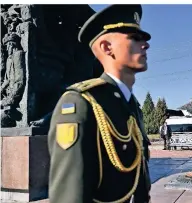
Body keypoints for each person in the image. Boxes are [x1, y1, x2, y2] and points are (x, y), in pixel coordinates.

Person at [47, 5, 152, 203]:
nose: (145, 44)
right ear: (106, 47)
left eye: (144, 39)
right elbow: (70, 196)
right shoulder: (81, 102)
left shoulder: (132, 105)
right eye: (135, 38)